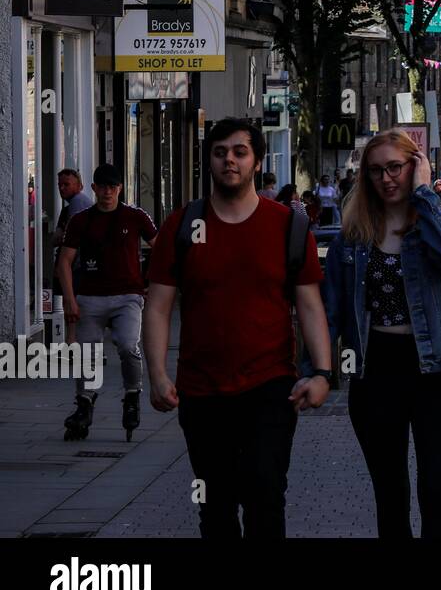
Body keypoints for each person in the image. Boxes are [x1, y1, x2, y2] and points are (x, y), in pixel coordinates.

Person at [142, 118, 333, 539]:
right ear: (208, 161)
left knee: (265, 495)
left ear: (257, 161)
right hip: (202, 392)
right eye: (220, 152)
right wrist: (156, 374)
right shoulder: (181, 226)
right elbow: (157, 306)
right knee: (216, 508)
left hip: (271, 387)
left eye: (240, 152)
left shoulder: (289, 225)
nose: (229, 159)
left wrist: (321, 373)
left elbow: (309, 304)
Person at [322, 130, 441, 538]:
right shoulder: (352, 238)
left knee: (434, 491)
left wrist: (424, 192)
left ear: (414, 166)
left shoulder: (440, 222)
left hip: (436, 374)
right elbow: (330, 313)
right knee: (390, 494)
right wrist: (316, 372)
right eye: (376, 171)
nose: (387, 178)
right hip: (376, 374)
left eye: (396, 167)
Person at [56, 164, 159, 441]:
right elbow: (64, 261)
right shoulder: (81, 220)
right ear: (93, 188)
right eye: (102, 187)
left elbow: (161, 248)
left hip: (128, 296)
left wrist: (150, 282)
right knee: (86, 355)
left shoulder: (135, 216)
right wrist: (69, 299)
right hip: (90, 297)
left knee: (127, 345)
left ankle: (132, 395)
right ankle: (84, 404)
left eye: (112, 187)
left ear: (120, 189)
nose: (107, 193)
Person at [51, 168, 94, 301]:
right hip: (75, 266)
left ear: (79, 186)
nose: (62, 188)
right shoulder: (68, 208)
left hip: (78, 267)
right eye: (59, 185)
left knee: (73, 307)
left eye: (66, 184)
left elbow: (69, 238)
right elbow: (56, 239)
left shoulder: (78, 202)